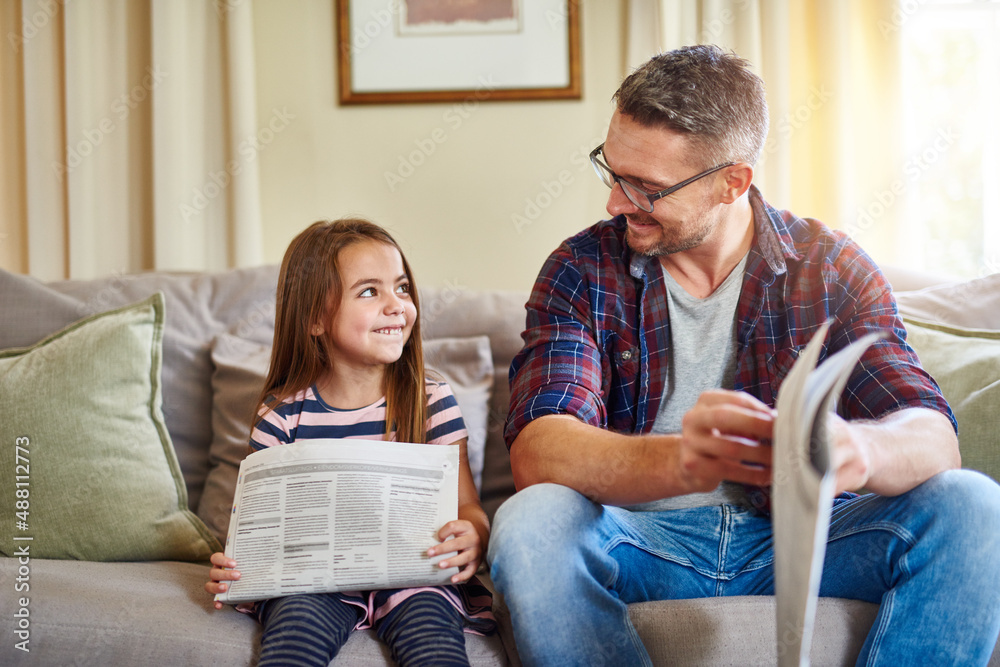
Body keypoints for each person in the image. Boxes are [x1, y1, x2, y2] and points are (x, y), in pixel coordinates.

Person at [487, 45, 1000, 666]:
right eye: (611, 170)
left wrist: (858, 450)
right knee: (531, 521)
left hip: (807, 539)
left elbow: (931, 436)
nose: (615, 203)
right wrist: (687, 459)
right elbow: (541, 448)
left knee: (976, 505)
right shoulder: (582, 268)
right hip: (642, 540)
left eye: (645, 187)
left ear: (733, 181)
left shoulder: (830, 267)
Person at [205, 219, 495, 667]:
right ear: (316, 319)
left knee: (434, 644)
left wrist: (473, 535)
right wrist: (235, 566)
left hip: (414, 575)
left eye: (401, 287)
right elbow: (257, 530)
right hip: (313, 581)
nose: (396, 305)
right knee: (290, 643)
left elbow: (468, 508)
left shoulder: (431, 400)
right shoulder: (282, 414)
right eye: (369, 291)